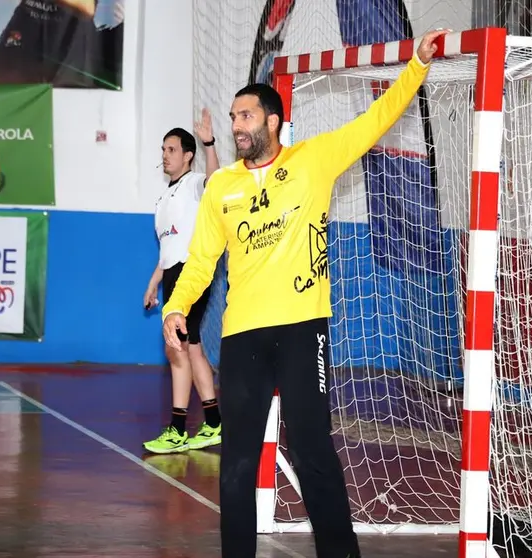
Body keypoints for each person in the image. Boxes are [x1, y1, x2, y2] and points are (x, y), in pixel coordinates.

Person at [160, 30, 449, 558]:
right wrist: (176, 306)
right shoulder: (221, 186)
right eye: (232, 117)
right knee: (237, 462)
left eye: (245, 116)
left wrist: (417, 66)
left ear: (272, 122)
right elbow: (201, 261)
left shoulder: (313, 160)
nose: (236, 125)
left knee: (313, 450)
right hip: (243, 337)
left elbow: (374, 121)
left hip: (301, 331)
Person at [143, 108, 223, 455]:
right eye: (163, 150)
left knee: (175, 347)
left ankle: (177, 430)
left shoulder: (193, 184)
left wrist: (209, 143)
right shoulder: (164, 198)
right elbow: (168, 248)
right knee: (191, 348)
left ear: (188, 155)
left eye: (171, 149)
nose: (165, 155)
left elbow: (216, 182)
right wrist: (153, 283)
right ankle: (214, 423)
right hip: (173, 273)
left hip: (193, 273)